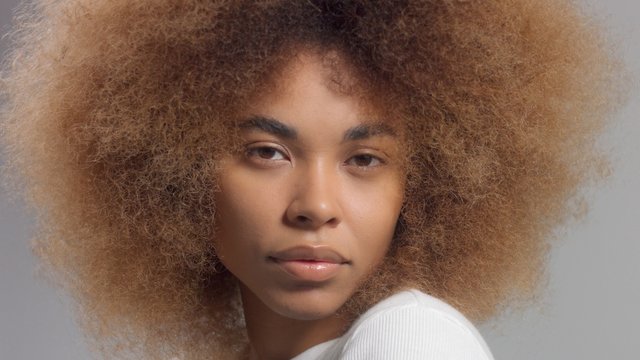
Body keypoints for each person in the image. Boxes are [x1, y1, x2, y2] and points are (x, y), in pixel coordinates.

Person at [0, 0, 622, 359]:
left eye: (364, 160)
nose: (316, 206)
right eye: (268, 152)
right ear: (173, 170)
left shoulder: (407, 338)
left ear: (424, 187)